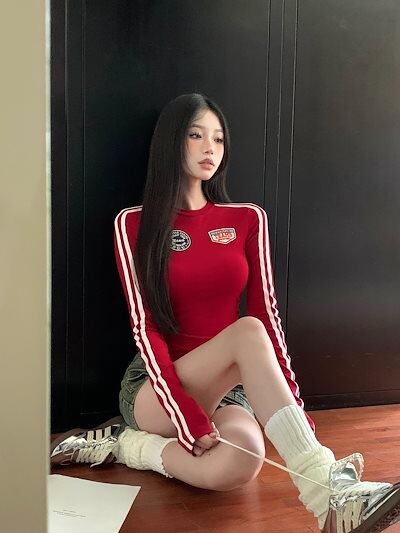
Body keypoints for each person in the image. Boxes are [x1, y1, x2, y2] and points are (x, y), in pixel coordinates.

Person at [51, 93, 400, 532]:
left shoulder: (247, 219)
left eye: (218, 138)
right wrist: (186, 417)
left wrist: (297, 414)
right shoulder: (133, 223)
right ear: (171, 143)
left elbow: (269, 319)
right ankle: (329, 493)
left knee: (241, 462)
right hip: (156, 387)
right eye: (195, 135)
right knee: (246, 331)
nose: (209, 148)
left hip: (229, 391)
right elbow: (145, 327)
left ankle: (128, 446)